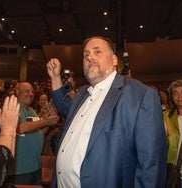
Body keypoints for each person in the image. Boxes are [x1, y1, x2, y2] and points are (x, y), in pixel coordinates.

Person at [46, 36, 167, 188]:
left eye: (97, 52)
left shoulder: (140, 95)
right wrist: (55, 77)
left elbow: (152, 164)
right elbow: (67, 110)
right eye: (86, 54)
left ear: (115, 60)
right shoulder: (83, 93)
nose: (90, 56)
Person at [6, 82, 59, 185]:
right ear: (17, 92)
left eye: (32, 92)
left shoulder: (31, 111)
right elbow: (20, 128)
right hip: (20, 169)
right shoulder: (13, 108)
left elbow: (41, 132)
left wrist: (49, 121)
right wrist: (45, 121)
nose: (30, 94)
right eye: (27, 91)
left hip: (36, 166)